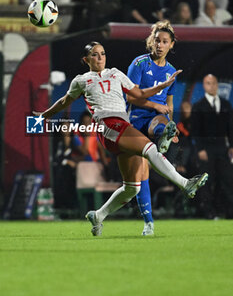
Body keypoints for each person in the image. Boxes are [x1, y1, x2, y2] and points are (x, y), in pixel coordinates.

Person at [33, 41, 208, 236]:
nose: (100, 57)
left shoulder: (116, 73)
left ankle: (98, 215)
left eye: (102, 53)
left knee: (132, 187)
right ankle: (185, 184)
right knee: (149, 148)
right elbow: (65, 100)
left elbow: (139, 93)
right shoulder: (81, 80)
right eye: (95, 54)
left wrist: (164, 85)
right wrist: (44, 116)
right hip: (107, 124)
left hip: (122, 125)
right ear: (86, 60)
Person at [126, 20, 182, 235]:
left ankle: (164, 135)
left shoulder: (172, 72)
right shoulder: (140, 64)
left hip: (155, 119)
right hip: (135, 120)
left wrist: (172, 125)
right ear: (151, 41)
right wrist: (156, 106)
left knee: (160, 121)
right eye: (157, 40)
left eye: (164, 41)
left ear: (171, 45)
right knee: (140, 176)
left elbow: (169, 105)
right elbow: (133, 96)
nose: (160, 44)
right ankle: (148, 222)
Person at [191, 74, 233, 218]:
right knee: (208, 181)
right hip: (206, 149)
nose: (212, 86)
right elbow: (195, 131)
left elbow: (230, 128)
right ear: (204, 85)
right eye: (208, 83)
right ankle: (208, 212)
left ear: (217, 84)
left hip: (223, 148)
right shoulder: (198, 106)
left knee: (227, 179)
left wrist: (232, 146)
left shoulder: (226, 104)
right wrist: (200, 149)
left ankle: (229, 211)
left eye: (214, 83)